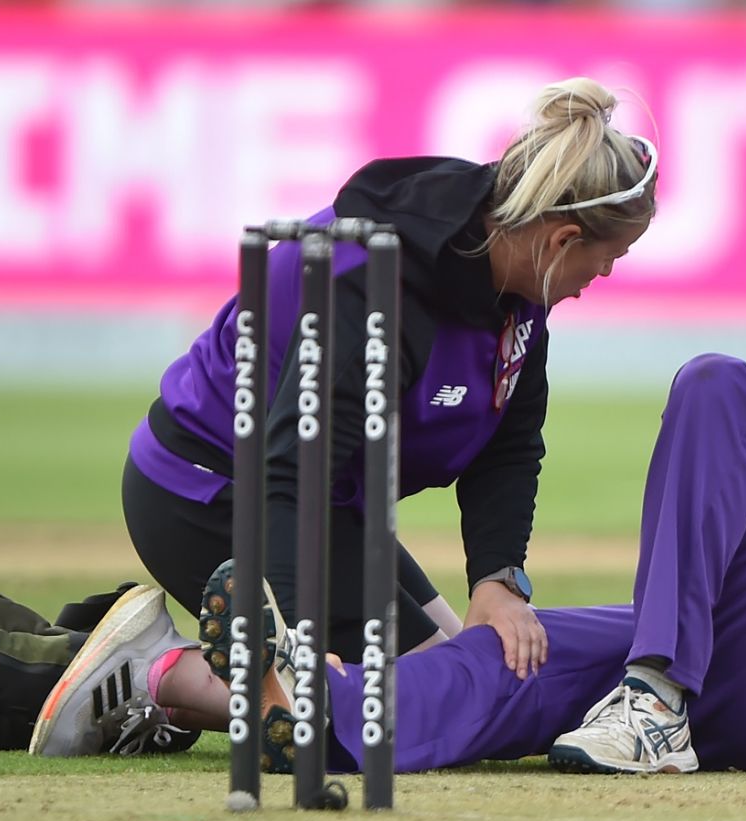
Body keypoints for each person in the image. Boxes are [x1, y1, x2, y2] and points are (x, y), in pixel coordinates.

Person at [33, 354, 746, 772]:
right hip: (732, 667)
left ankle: (652, 705)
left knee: (720, 386)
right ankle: (222, 695)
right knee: (508, 648)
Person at [120, 76, 658, 678]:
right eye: (611, 256)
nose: (606, 272)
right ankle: (153, 673)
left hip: (329, 503)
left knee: (479, 670)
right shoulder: (377, 288)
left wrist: (498, 579)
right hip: (213, 494)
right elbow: (290, 469)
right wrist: (301, 632)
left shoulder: (519, 267)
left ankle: (183, 670)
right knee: (436, 696)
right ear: (563, 239)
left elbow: (509, 443)